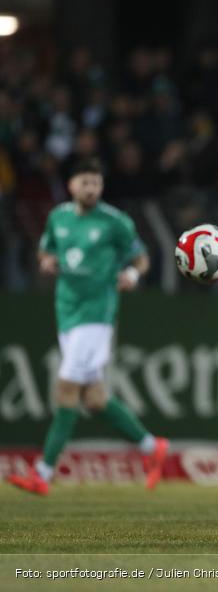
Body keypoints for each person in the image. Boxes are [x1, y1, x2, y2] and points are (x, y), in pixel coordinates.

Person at [8, 158, 169, 496]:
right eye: (86, 183)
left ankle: (43, 473)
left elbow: (141, 257)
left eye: (96, 183)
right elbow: (46, 251)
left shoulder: (114, 222)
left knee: (66, 389)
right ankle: (152, 448)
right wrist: (47, 261)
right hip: (66, 311)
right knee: (94, 398)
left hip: (97, 315)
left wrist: (133, 274)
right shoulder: (59, 217)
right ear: (72, 186)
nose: (92, 189)